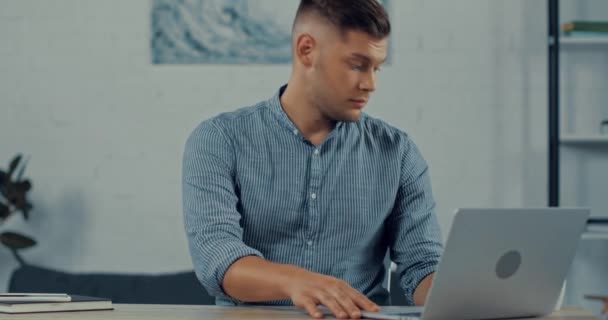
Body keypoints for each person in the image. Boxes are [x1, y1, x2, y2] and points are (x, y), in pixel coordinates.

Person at [182, 0, 443, 318]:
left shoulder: (398, 151)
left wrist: (468, 295)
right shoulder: (219, 139)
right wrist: (297, 281)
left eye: (375, 67)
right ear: (306, 50)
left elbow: (423, 264)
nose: (370, 84)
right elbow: (217, 258)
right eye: (357, 64)